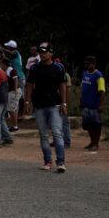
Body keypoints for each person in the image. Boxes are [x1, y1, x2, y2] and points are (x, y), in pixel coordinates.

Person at [24, 43, 67, 173]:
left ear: (51, 53)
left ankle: (60, 162)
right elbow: (30, 85)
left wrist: (64, 103)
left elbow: (62, 86)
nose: (42, 54)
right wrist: (27, 101)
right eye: (40, 52)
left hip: (55, 105)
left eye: (45, 52)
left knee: (57, 133)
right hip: (39, 105)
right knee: (43, 135)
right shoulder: (34, 68)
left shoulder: (58, 68)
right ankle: (47, 161)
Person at [80, 56, 106, 151]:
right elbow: (82, 88)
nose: (86, 65)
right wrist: (81, 100)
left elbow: (102, 91)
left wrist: (101, 105)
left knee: (96, 125)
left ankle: (96, 143)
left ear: (93, 64)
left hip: (94, 105)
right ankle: (92, 142)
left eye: (88, 63)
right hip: (85, 104)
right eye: (85, 63)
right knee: (87, 124)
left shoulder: (99, 76)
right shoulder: (85, 73)